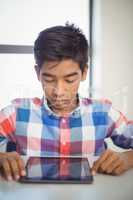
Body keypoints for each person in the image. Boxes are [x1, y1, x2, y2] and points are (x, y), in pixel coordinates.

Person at [0, 23, 133, 181]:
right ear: (37, 73)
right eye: (49, 79)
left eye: (70, 80)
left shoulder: (103, 113)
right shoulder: (16, 113)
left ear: (84, 72)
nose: (59, 91)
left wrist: (128, 158)